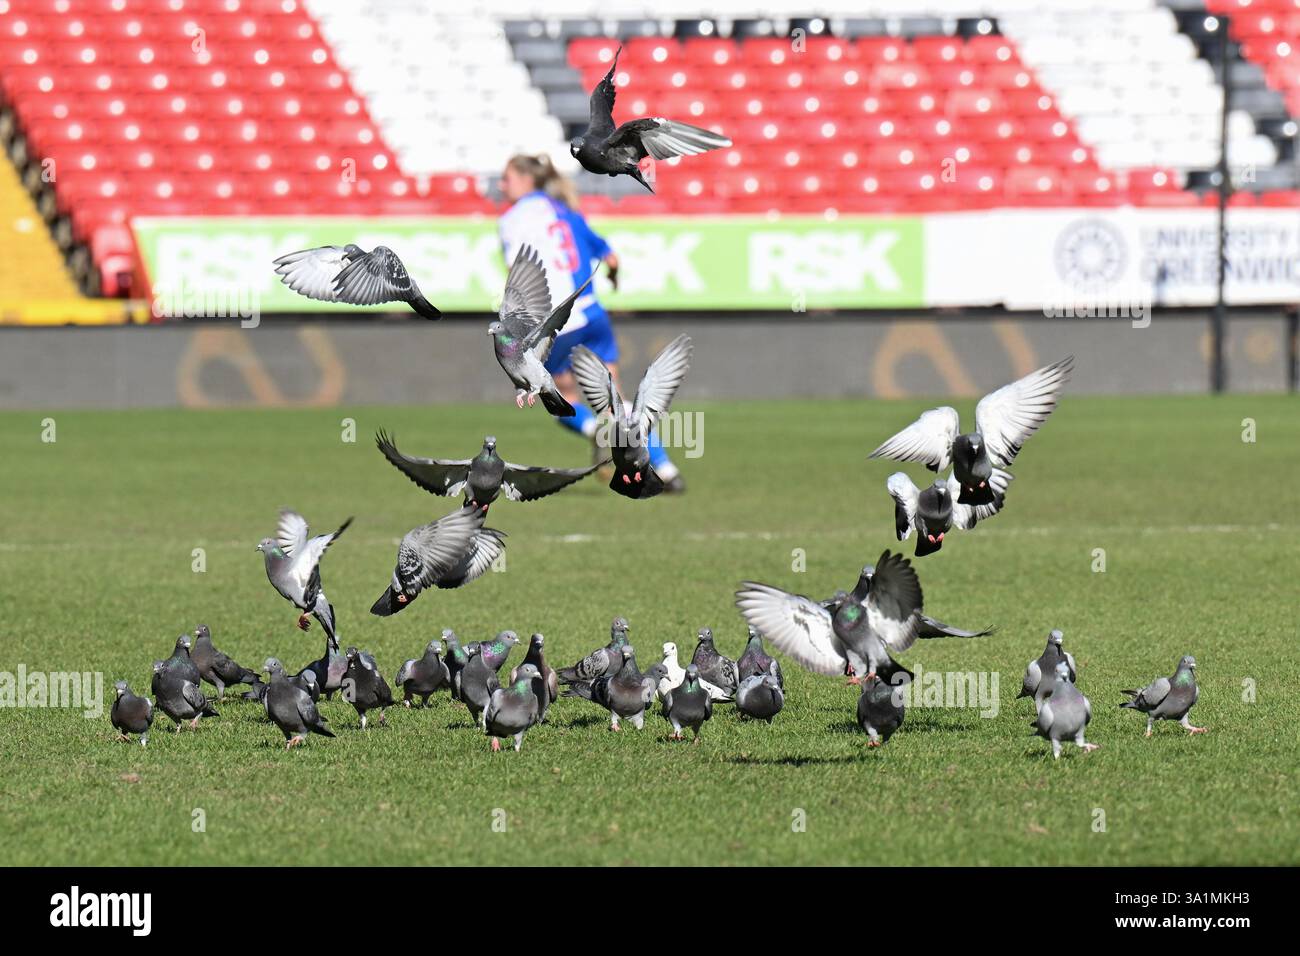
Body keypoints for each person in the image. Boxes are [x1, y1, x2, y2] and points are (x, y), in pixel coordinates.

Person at [497, 153, 683, 491]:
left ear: (526, 181)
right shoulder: (566, 212)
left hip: (557, 320)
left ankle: (595, 431)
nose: (501, 185)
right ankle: (667, 470)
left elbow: (519, 275)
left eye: (506, 179)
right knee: (619, 398)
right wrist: (612, 276)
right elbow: (610, 257)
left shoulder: (512, 220)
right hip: (593, 312)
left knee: (558, 398)